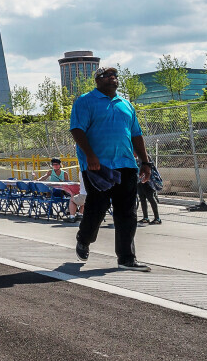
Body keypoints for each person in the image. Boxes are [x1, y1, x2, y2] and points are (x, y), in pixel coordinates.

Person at [71, 67, 155, 271]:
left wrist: (145, 162)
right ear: (97, 81)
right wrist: (90, 155)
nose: (112, 78)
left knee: (127, 212)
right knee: (97, 208)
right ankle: (84, 238)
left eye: (114, 76)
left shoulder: (126, 104)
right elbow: (77, 129)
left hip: (126, 164)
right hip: (97, 166)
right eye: (107, 76)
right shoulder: (85, 101)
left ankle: (126, 258)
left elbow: (136, 134)